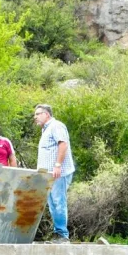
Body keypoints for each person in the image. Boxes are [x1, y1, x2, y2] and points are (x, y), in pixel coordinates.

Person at [33, 104, 75, 243]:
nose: (36, 117)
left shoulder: (56, 126)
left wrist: (57, 165)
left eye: (38, 114)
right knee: (52, 204)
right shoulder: (45, 129)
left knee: (58, 202)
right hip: (49, 175)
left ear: (47, 114)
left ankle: (62, 235)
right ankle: (58, 234)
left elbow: (63, 144)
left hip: (58, 173)